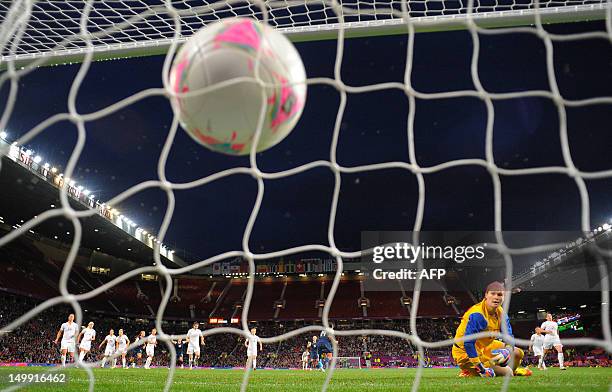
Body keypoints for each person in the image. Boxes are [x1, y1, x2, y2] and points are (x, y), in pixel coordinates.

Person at [452, 281, 531, 377]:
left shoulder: (501, 313)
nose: (496, 297)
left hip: (485, 346)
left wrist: (507, 350)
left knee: (518, 353)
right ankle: (469, 371)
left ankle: (508, 370)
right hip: (465, 352)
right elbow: (468, 344)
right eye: (493, 293)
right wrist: (481, 369)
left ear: (504, 297)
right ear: (486, 295)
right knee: (507, 373)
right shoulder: (478, 315)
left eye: (499, 294)